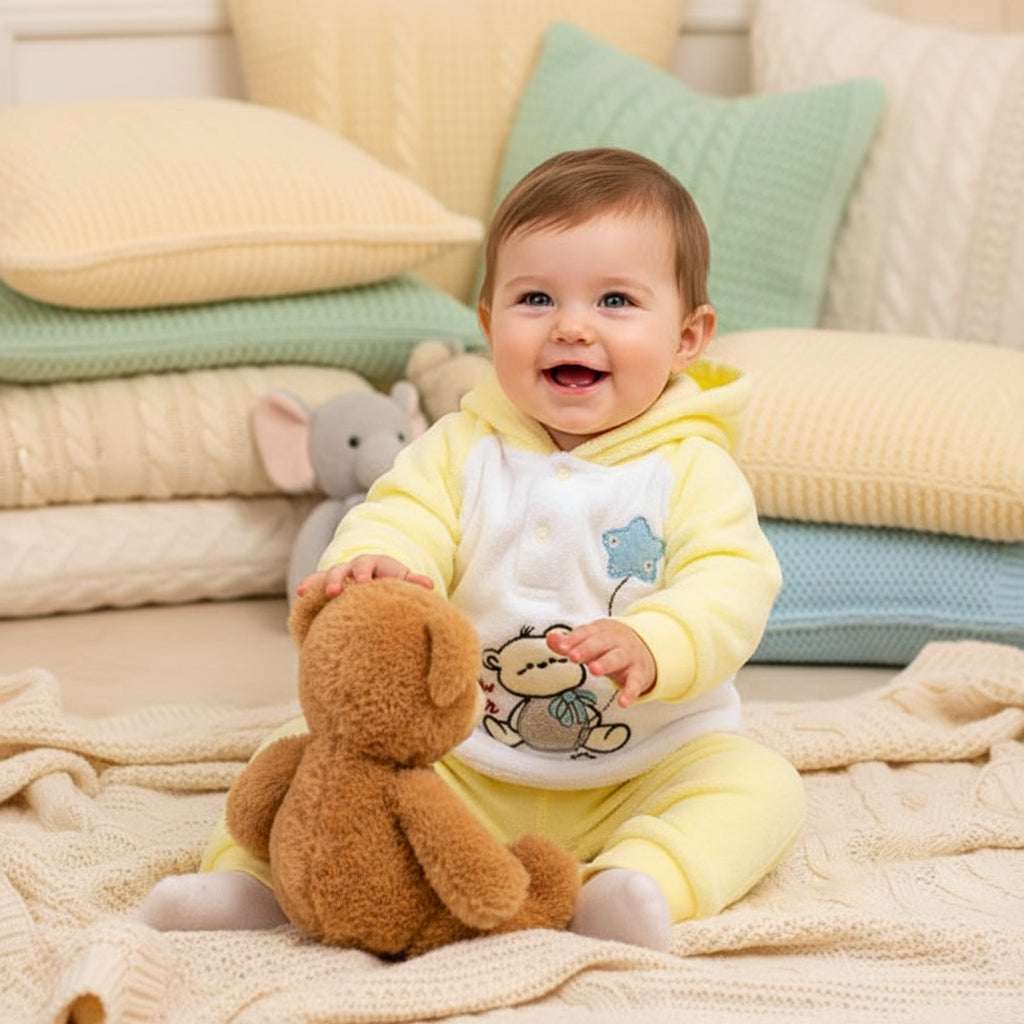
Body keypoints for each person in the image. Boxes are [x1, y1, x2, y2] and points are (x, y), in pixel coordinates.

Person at [139, 147, 806, 950]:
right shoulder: (462, 447)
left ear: (688, 337)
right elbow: (400, 512)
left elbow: (733, 583)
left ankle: (632, 883)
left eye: (617, 300)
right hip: (458, 754)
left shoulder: (693, 469)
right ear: (489, 325)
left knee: (762, 787)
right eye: (535, 298)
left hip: (642, 763)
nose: (572, 325)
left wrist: (657, 641)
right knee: (306, 753)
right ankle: (252, 881)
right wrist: (380, 564)